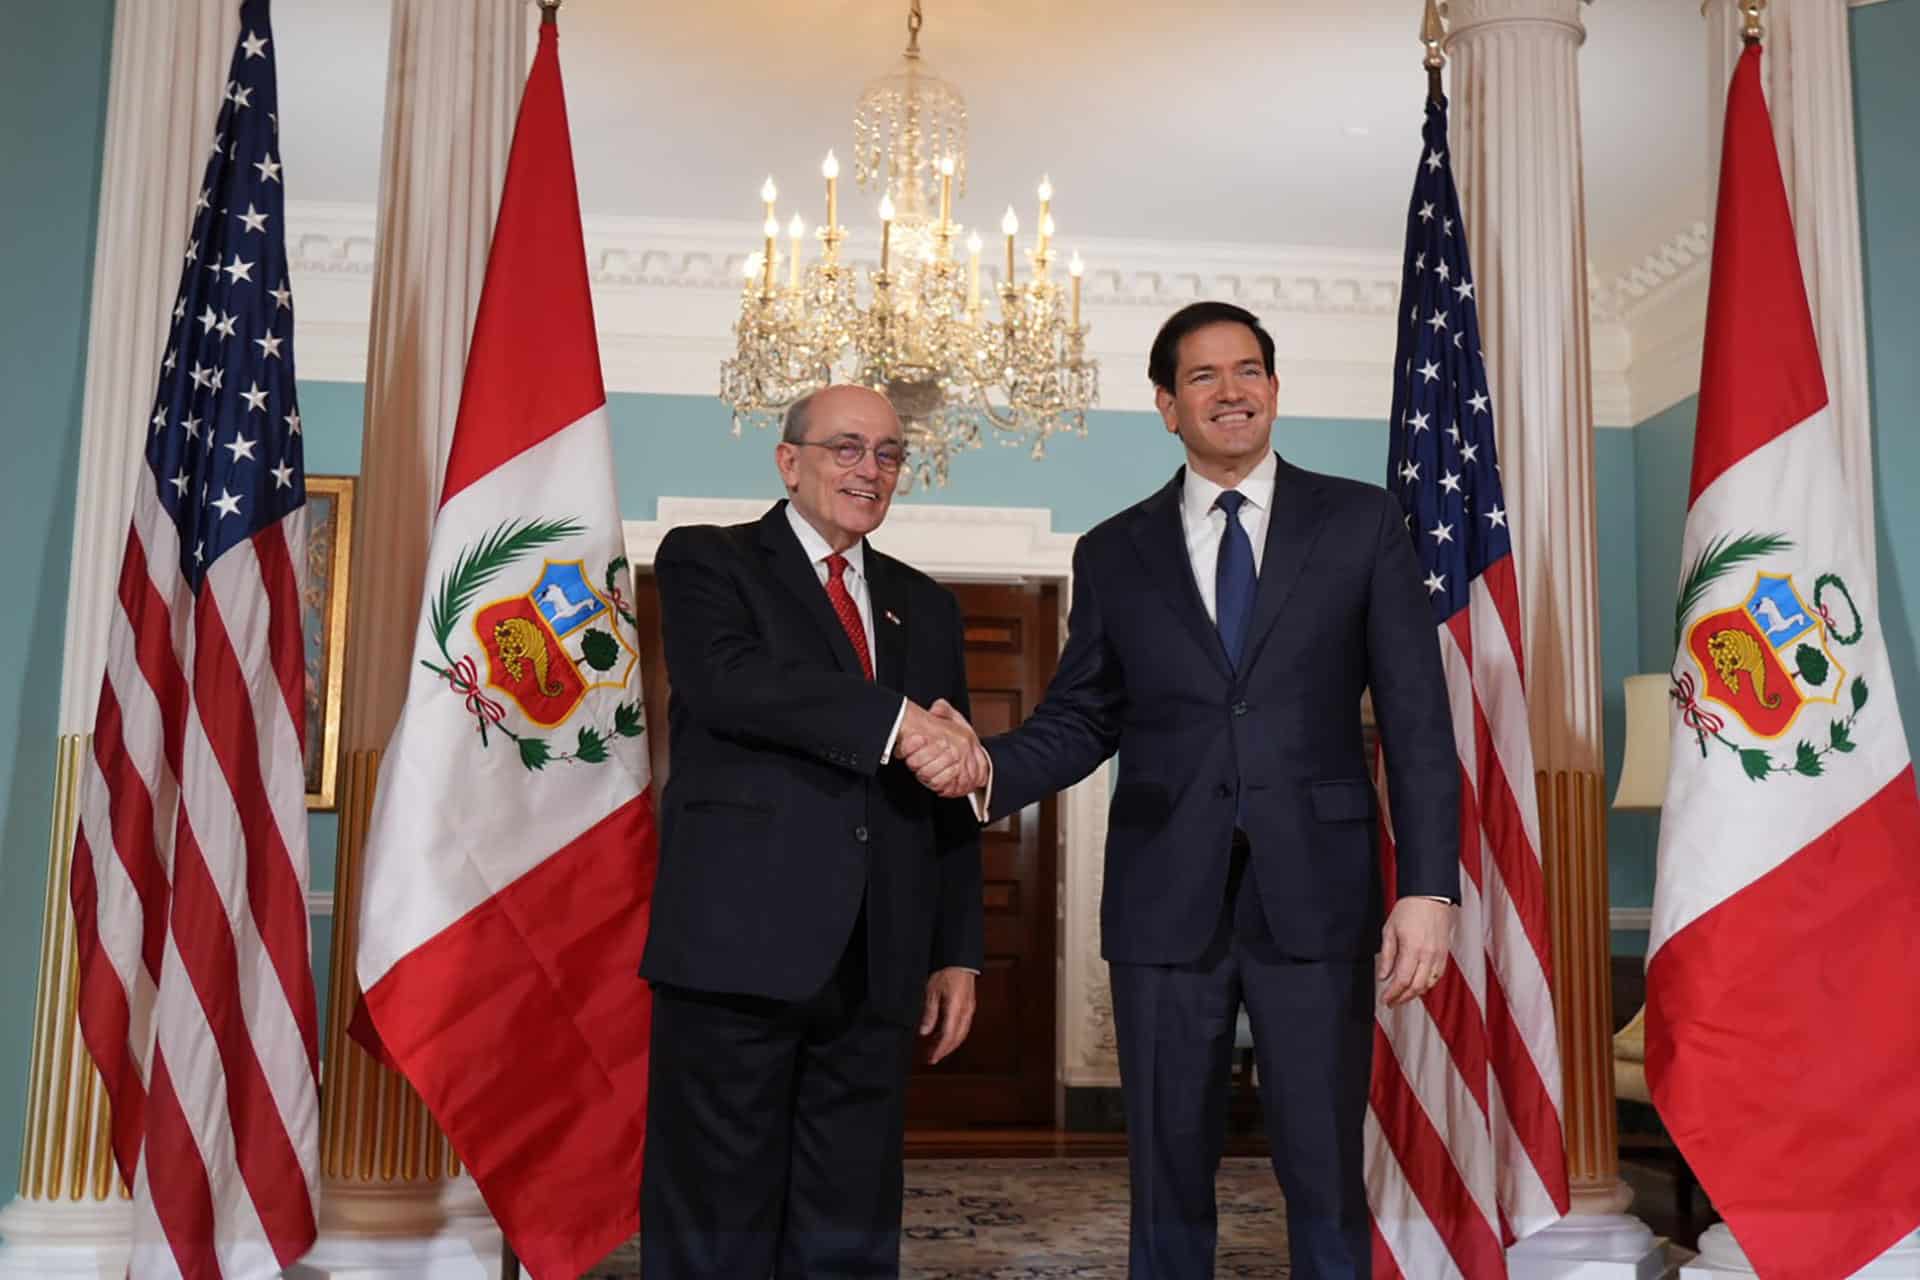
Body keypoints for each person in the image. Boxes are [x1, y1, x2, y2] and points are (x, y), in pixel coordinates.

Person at [907, 302, 1459, 1279]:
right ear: (1167, 405)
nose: (1231, 390)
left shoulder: (1361, 522)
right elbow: (1083, 716)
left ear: (1276, 390)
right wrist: (988, 763)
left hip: (1320, 893)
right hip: (1164, 900)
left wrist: (1429, 886)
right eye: (1203, 376)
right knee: (1166, 1175)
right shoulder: (1115, 549)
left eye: (1248, 370)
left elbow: (1415, 717)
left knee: (1325, 1168)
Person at [640, 384, 986, 1277]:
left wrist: (957, 947)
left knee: (851, 1219)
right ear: (789, 461)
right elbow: (731, 682)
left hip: (879, 956)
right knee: (716, 1216)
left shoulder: (927, 605)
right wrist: (903, 724)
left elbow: (945, 792)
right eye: (846, 448)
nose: (870, 471)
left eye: (888, 455)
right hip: (735, 951)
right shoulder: (709, 561)